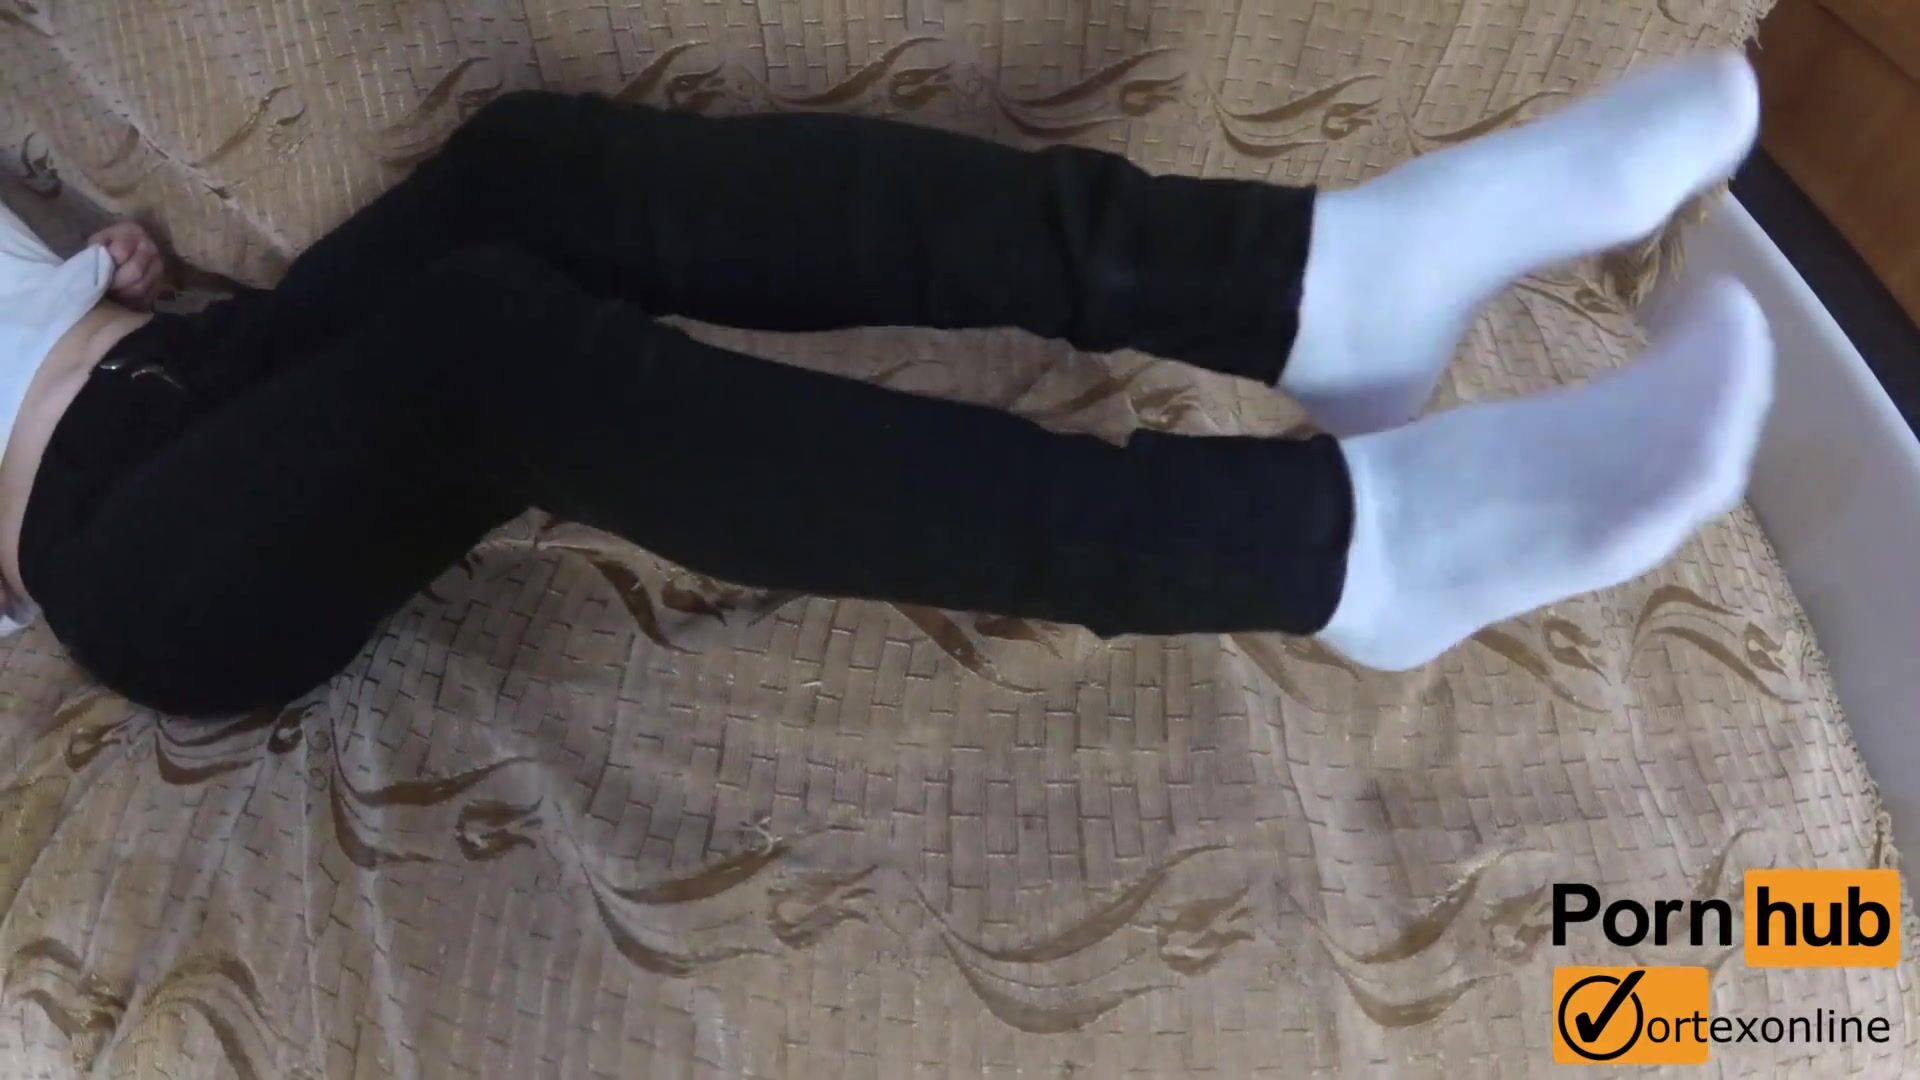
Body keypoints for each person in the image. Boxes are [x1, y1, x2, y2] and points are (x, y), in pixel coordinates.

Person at [0, 50, 1771, 720]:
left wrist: (92, 261)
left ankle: (1320, 287)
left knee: (527, 169)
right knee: (477, 341)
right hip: (104, 553)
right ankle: (1328, 552)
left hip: (195, 361)